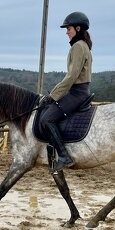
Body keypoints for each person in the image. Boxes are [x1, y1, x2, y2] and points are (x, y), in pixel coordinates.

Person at [40, 11, 93, 171]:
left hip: (77, 93)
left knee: (46, 119)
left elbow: (71, 76)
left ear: (77, 28)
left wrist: (53, 96)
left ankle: (64, 156)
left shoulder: (78, 46)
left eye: (68, 29)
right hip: (80, 90)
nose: (66, 32)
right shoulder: (83, 46)